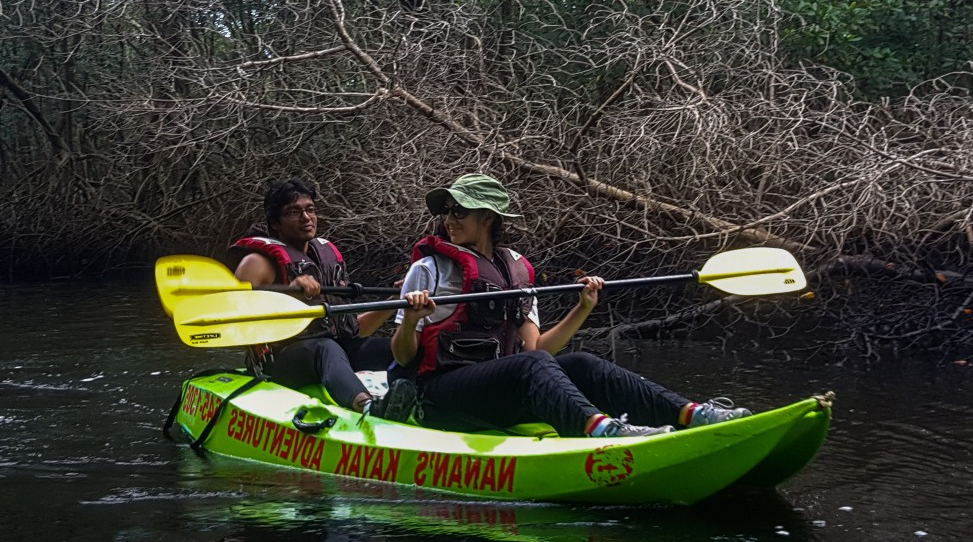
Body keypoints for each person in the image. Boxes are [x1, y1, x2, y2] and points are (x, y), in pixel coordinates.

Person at [389, 173, 751, 437]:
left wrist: (583, 308)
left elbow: (534, 349)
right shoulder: (428, 270)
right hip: (441, 395)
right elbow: (404, 358)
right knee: (532, 366)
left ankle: (692, 415)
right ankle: (602, 431)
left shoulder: (515, 270)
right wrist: (410, 322)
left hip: (494, 390)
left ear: (487, 217)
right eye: (447, 212)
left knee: (582, 362)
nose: (449, 219)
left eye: (459, 211)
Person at [231, 178, 393, 413]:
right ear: (276, 223)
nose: (306, 218)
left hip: (333, 354)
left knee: (392, 348)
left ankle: (418, 399)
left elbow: (355, 331)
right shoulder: (257, 263)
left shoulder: (326, 256)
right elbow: (236, 320)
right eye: (294, 212)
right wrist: (290, 294)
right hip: (281, 364)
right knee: (325, 347)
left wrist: (396, 303)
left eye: (310, 209)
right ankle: (367, 407)